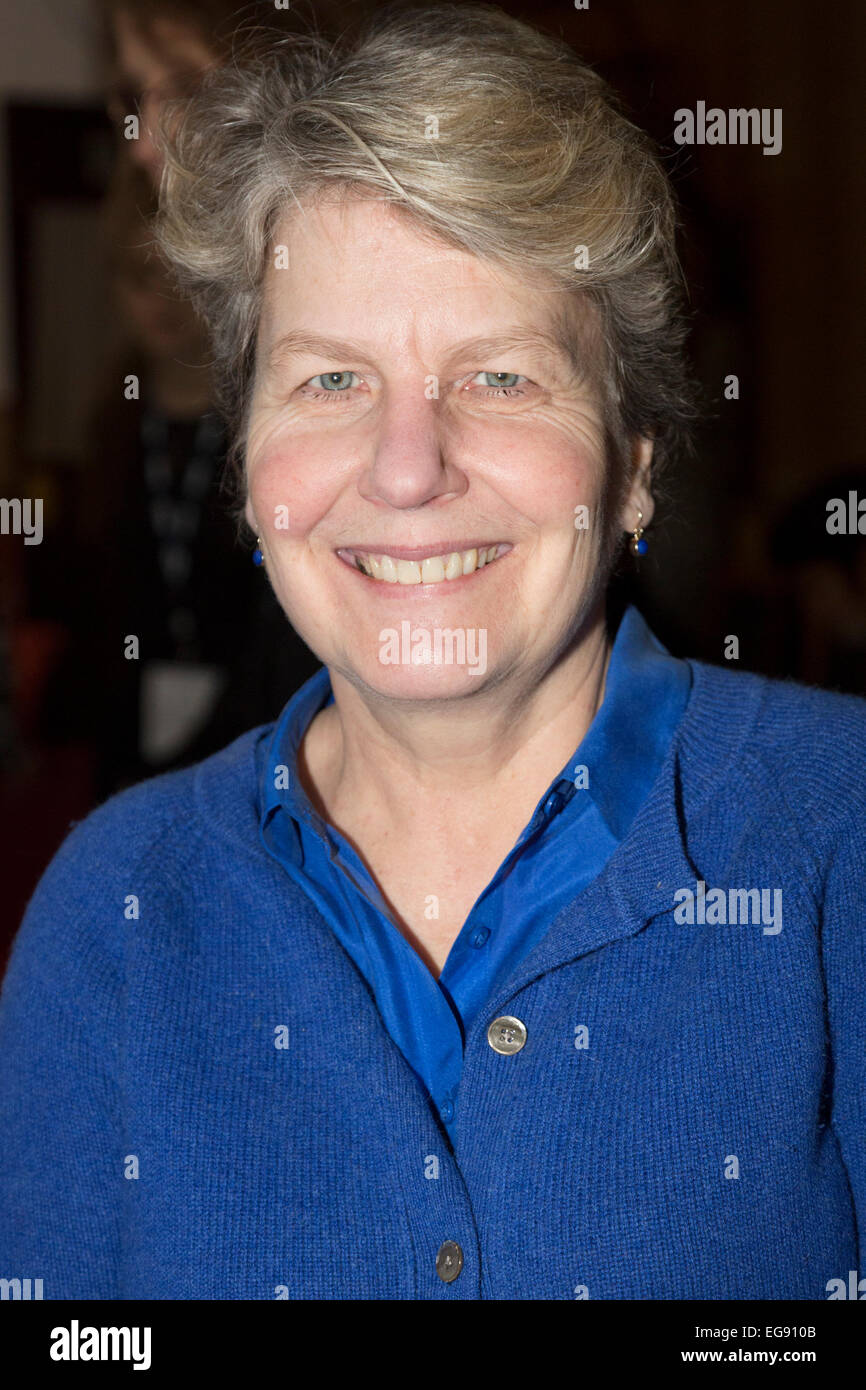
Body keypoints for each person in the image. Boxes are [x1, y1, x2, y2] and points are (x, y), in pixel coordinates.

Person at [1, 2, 864, 1300]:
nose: (407, 469)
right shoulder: (112, 909)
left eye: (500, 376)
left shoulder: (839, 836)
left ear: (633, 466)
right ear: (249, 469)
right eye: (330, 381)